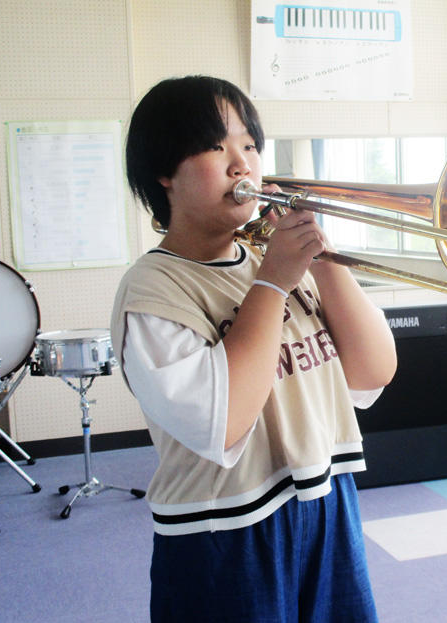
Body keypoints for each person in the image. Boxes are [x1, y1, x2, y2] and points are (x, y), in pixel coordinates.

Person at [111, 75, 397, 622]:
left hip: (325, 500)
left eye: (249, 145)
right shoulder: (152, 290)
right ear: (164, 173)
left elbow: (373, 372)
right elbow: (224, 423)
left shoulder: (280, 261)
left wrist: (323, 259)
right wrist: (272, 284)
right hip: (221, 529)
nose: (241, 164)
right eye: (215, 146)